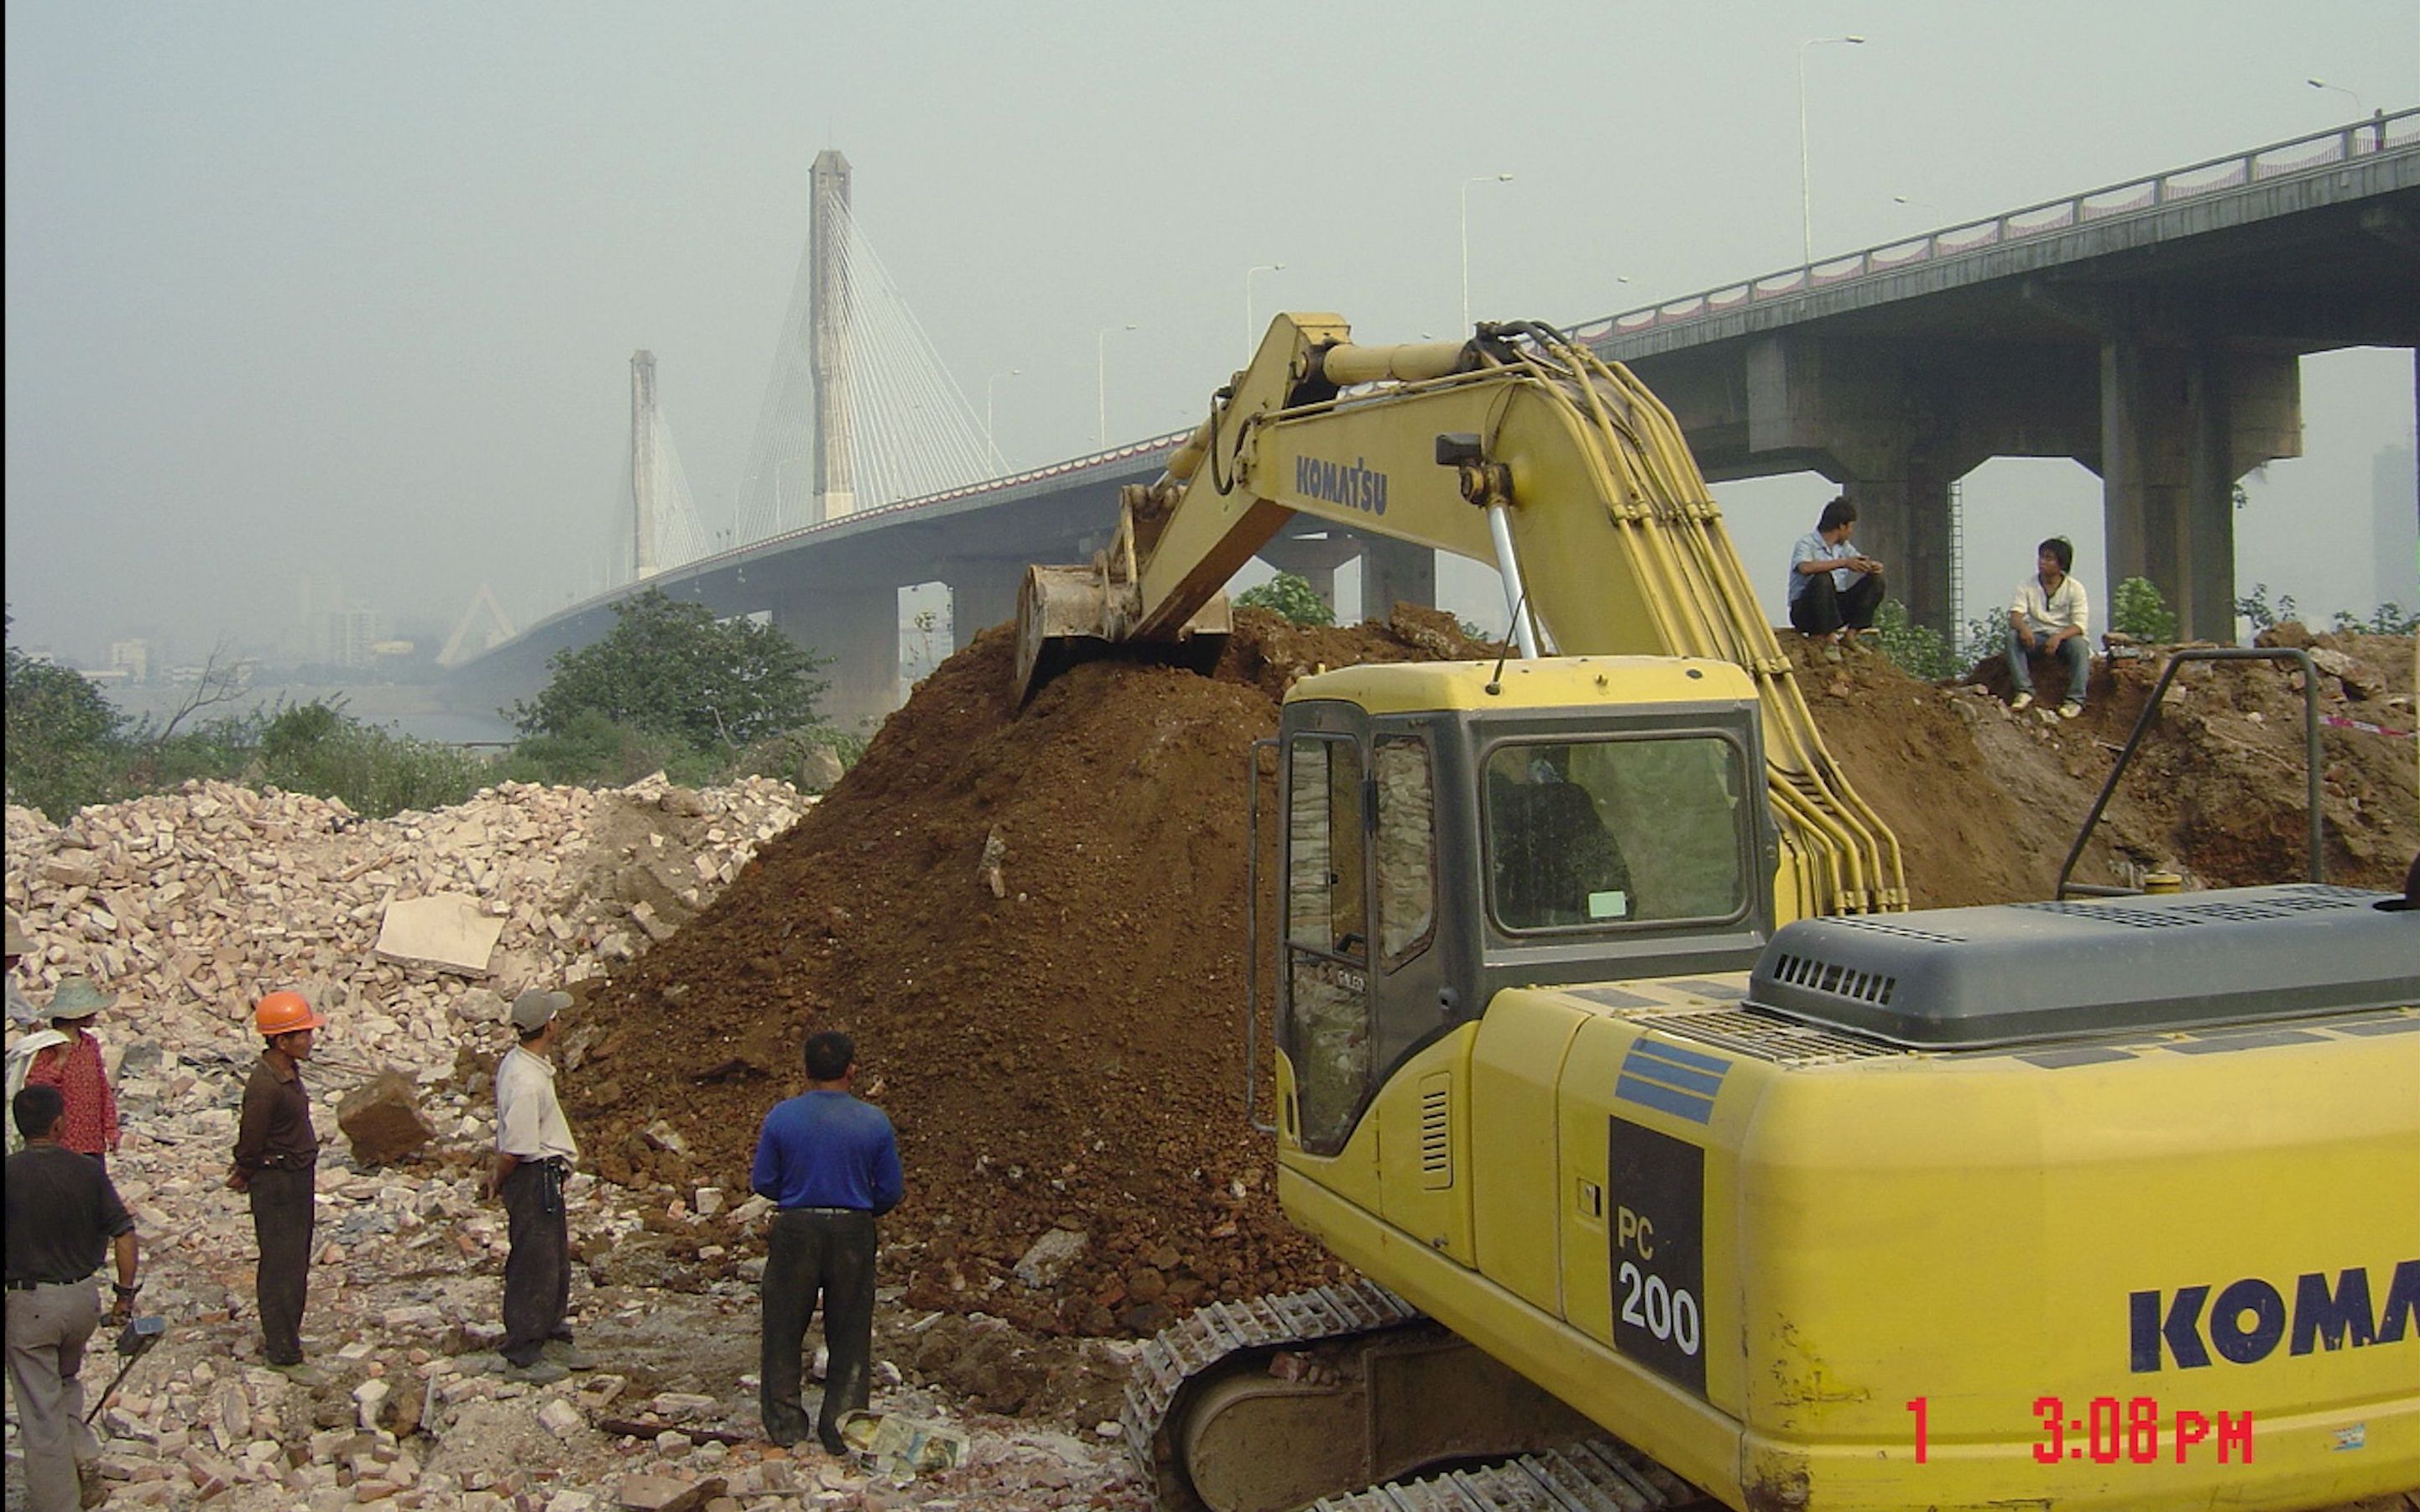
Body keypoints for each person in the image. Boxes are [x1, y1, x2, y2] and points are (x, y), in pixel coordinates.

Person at [751, 1030, 903, 1453]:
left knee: (783, 1324)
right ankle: (843, 1427)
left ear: (806, 1071)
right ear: (852, 1069)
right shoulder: (873, 1121)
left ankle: (784, 1425)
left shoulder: (782, 1117)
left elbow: (763, 1180)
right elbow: (890, 1190)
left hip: (796, 1228)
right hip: (853, 1230)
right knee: (850, 1328)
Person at [6, 1084, 139, 1512]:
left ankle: (56, 1502)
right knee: (65, 1383)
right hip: (83, 1299)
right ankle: (84, 1462)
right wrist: (123, 1297)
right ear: (59, 1123)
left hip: (31, 1304)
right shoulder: (87, 1171)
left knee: (40, 1412)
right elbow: (124, 1235)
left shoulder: (8, 1174)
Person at [489, 988, 592, 1384]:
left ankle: (552, 1333)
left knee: (553, 1261)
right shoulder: (526, 1082)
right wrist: (498, 1179)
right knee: (534, 1263)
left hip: (542, 1176)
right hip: (533, 1177)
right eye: (557, 1019)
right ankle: (523, 1349)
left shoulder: (525, 1065)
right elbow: (516, 1148)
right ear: (549, 1025)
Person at [227, 990, 327, 1384]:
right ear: (281, 1041)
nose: (310, 1040)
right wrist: (245, 1170)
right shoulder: (265, 1085)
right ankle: (282, 1351)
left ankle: (288, 1338)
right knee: (282, 1265)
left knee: (293, 1262)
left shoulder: (284, 1073)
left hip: (294, 1176)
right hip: (279, 1181)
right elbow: (250, 1140)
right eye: (302, 1034)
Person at [23, 978, 120, 1167]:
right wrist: (60, 1061)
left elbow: (102, 1087)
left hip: (91, 1137)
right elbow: (35, 1089)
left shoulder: (89, 1044)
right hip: (63, 1140)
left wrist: (110, 1127)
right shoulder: (48, 1046)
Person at [2007, 536, 2092, 718]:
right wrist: (2023, 628)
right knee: (2012, 637)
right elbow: (2015, 616)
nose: (2042, 562)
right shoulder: (2026, 585)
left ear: (2061, 564)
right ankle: (2024, 691)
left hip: (2064, 641)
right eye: (2041, 557)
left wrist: (2059, 637)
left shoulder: (2075, 588)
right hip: (2036, 638)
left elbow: (2079, 625)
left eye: (2049, 558)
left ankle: (2074, 701)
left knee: (2080, 645)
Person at [1786, 496, 1885, 641]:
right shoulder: (1806, 543)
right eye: (1851, 527)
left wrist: (1872, 567)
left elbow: (1857, 560)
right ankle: (1829, 637)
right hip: (1807, 611)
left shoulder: (1843, 547)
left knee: (1876, 582)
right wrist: (1843, 563)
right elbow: (1805, 567)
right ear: (1841, 526)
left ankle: (1851, 636)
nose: (1851, 532)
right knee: (1823, 578)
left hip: (1834, 610)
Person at [5, 911, 39, 1029]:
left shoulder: (7, 981)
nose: (19, 959)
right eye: (16, 955)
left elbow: (18, 1004)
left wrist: (36, 1023)